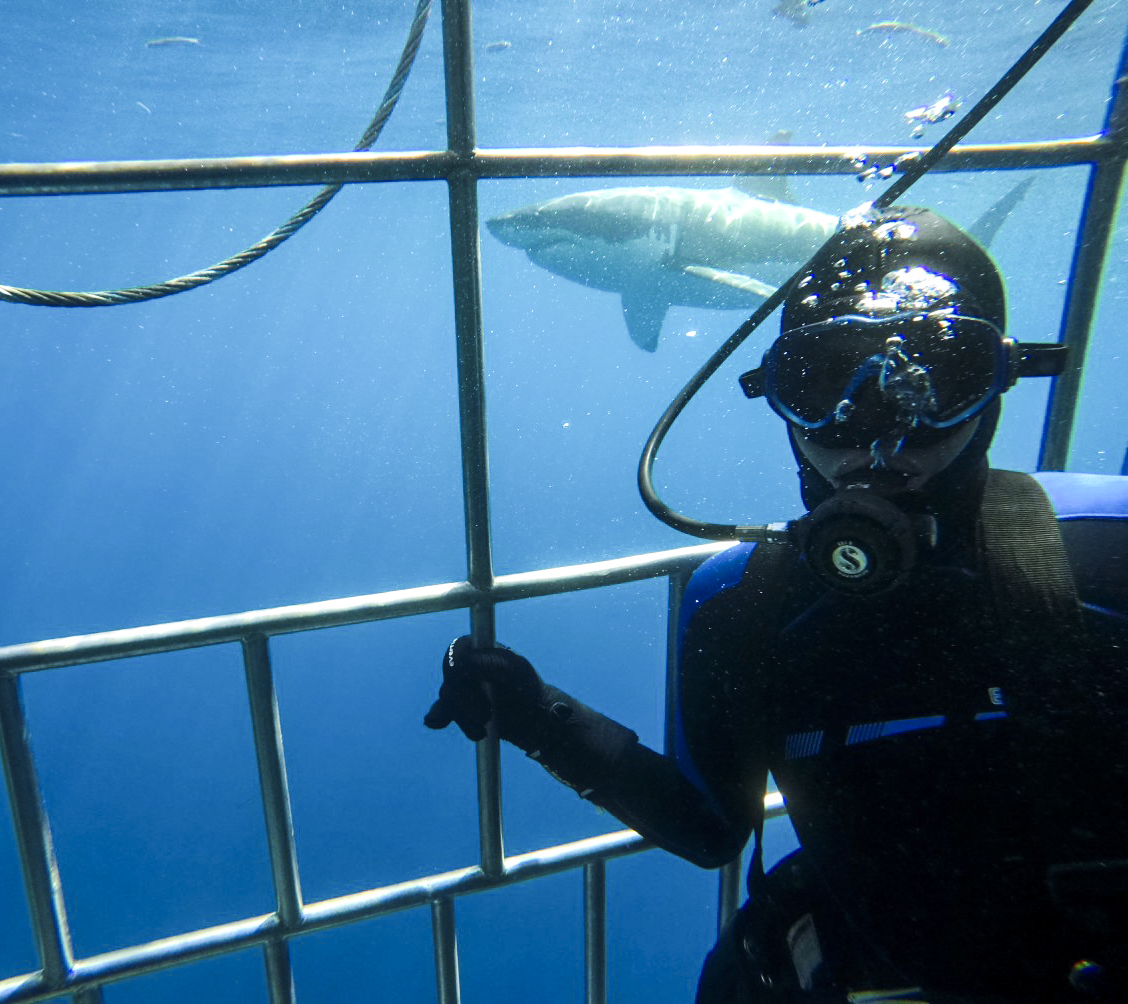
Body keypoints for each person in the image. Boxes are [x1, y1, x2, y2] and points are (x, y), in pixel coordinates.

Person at [424, 206, 1128, 1002]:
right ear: (776, 399)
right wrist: (536, 715)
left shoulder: (1113, 544)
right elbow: (706, 826)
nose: (876, 435)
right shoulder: (738, 600)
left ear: (997, 382)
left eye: (937, 381)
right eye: (824, 385)